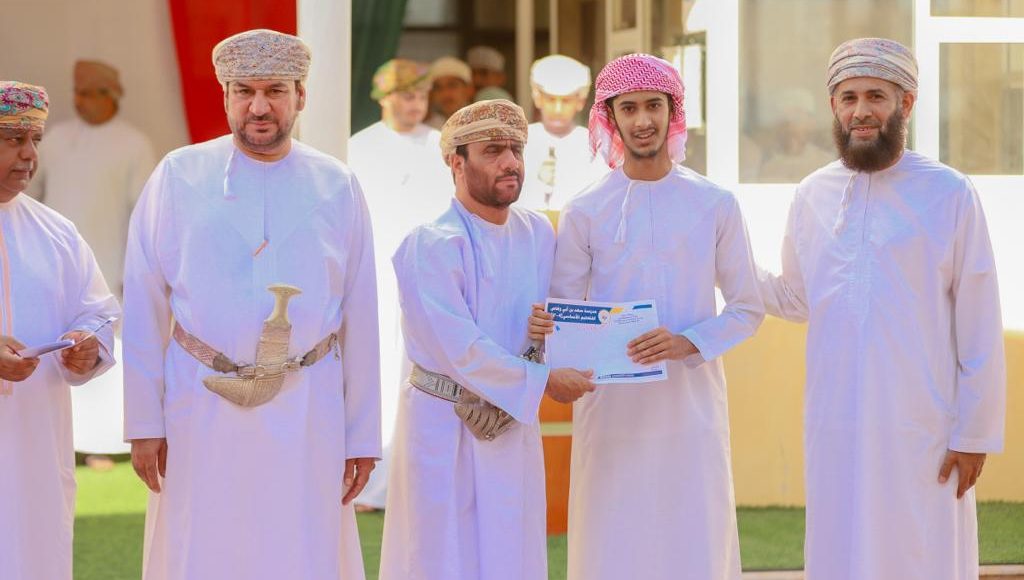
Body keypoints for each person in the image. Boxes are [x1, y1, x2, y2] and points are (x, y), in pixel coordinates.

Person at [123, 29, 381, 579]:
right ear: (225, 96)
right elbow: (144, 302)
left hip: (309, 406)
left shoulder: (336, 183)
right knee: (204, 545)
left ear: (301, 96)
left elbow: (361, 312)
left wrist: (362, 434)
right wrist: (144, 421)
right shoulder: (178, 174)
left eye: (275, 91)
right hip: (200, 404)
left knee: (302, 546)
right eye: (244, 91)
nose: (259, 107)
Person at [757, 38, 1006, 580]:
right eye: (848, 98)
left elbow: (980, 320)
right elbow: (798, 297)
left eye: (876, 96)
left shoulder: (949, 192)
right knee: (841, 547)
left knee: (920, 550)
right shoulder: (811, 195)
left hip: (924, 426)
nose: (861, 111)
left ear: (906, 103)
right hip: (836, 421)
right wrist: (723, 260)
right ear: (833, 106)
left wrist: (974, 434)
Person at [534, 53, 764, 580]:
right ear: (609, 117)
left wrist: (687, 342)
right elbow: (564, 311)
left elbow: (747, 308)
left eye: (654, 106)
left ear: (673, 111)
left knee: (694, 532)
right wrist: (562, 359)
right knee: (613, 535)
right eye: (629, 108)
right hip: (612, 410)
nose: (642, 120)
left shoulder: (715, 203)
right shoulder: (585, 209)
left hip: (691, 405)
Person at [379, 99, 595, 580]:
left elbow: (558, 314)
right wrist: (543, 381)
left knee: (511, 548)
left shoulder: (538, 233)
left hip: (511, 425)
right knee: (442, 555)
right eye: (493, 151)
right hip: (443, 425)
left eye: (516, 150)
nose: (510, 162)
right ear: (456, 163)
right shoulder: (430, 244)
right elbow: (461, 347)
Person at [0, 80, 120, 580]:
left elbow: (98, 312)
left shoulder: (56, 232)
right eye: (13, 139)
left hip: (37, 446)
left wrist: (87, 348)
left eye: (35, 140)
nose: (30, 155)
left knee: (32, 551)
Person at [28, 59, 155, 463]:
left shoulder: (134, 144)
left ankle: (102, 446)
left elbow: (144, 214)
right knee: (55, 345)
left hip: (109, 264)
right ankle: (68, 442)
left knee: (98, 348)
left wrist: (135, 272)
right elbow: (27, 194)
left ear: (109, 96)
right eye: (76, 93)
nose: (79, 101)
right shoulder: (56, 138)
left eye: (86, 93)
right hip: (53, 264)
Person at [348, 58, 451, 512]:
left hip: (431, 281)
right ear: (385, 97)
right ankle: (371, 486)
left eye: (422, 95)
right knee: (378, 376)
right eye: (408, 94)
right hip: (375, 282)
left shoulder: (442, 145)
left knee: (430, 380)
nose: (416, 104)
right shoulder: (358, 148)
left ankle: (424, 484)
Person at [519, 54, 608, 211]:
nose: (558, 109)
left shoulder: (595, 145)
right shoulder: (520, 141)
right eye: (551, 100)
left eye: (566, 101)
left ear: (580, 102)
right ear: (538, 98)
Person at [426, 56, 475, 130]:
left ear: (469, 89)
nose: (445, 94)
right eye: (438, 87)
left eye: (452, 85)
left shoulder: (483, 123)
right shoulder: (426, 129)